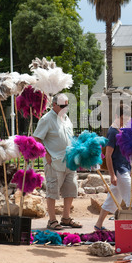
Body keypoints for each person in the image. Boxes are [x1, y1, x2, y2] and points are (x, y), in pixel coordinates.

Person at [33, 93, 81, 230]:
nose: (65, 108)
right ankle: (52, 220)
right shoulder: (46, 119)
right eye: (62, 105)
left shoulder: (66, 118)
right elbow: (37, 139)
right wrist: (46, 154)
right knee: (53, 191)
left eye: (67, 105)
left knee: (71, 188)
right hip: (54, 161)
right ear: (54, 105)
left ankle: (66, 218)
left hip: (69, 160)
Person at [94, 103, 132, 231]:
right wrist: (112, 174)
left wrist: (131, 168)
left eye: (126, 119)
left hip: (125, 168)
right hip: (119, 170)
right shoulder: (112, 131)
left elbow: (127, 152)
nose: (124, 122)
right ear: (116, 116)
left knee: (113, 199)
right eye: (122, 118)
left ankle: (98, 225)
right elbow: (108, 156)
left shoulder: (124, 130)